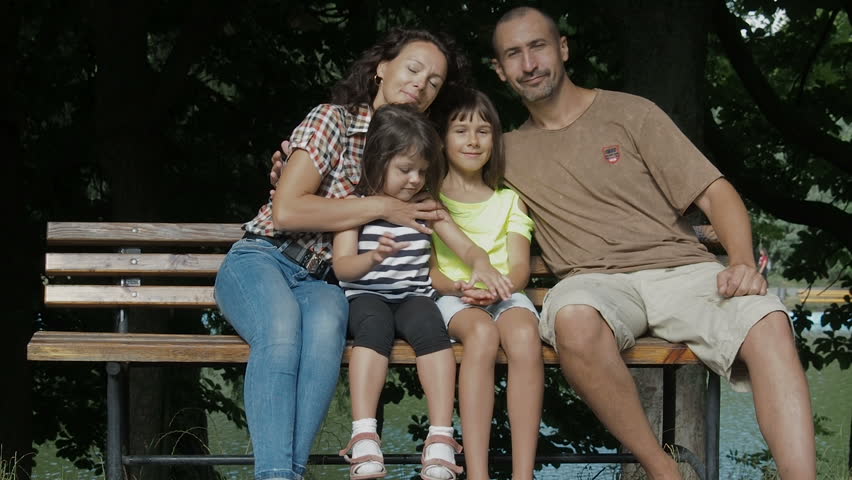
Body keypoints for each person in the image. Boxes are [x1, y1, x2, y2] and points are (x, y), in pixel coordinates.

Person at [490, 6, 816, 479]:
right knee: (574, 320)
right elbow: (441, 191)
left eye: (538, 46)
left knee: (767, 319)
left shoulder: (629, 113)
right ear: (500, 70)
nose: (529, 63)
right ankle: (663, 469)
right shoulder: (502, 152)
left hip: (681, 269)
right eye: (513, 54)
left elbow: (716, 192)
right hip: (592, 281)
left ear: (562, 48)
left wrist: (743, 261)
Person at [214, 28, 469, 480]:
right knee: (280, 331)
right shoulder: (332, 121)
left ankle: (288, 473)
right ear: (382, 68)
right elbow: (287, 209)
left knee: (326, 341)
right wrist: (384, 206)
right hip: (265, 256)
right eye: (413, 69)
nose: (421, 84)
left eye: (434, 81)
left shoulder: (414, 149)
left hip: (325, 280)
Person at [333, 103, 513, 480]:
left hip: (414, 297)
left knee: (434, 333)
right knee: (374, 329)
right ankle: (364, 434)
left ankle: (440, 438)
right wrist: (373, 257)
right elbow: (342, 266)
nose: (414, 180)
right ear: (376, 160)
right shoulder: (354, 207)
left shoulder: (426, 207)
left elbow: (459, 250)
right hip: (366, 297)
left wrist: (476, 269)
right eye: (404, 169)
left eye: (421, 171)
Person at [429, 88, 543, 480]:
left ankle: (522, 474)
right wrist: (462, 289)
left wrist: (497, 288)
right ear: (442, 139)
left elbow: (518, 268)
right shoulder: (429, 199)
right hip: (453, 297)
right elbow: (432, 273)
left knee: (526, 334)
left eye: (483, 131)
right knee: (480, 332)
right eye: (461, 130)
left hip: (505, 294)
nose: (473, 140)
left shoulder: (510, 201)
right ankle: (476, 473)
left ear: (495, 140)